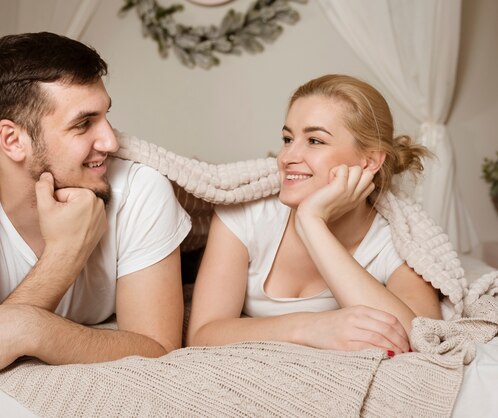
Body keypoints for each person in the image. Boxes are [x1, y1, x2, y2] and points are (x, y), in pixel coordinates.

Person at [0, 32, 191, 393]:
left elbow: (159, 348)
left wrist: (29, 328)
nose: (111, 142)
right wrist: (64, 255)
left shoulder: (141, 190)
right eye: (84, 124)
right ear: (13, 140)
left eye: (105, 116)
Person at [186, 74, 442, 354]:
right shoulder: (245, 214)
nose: (286, 157)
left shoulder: (397, 238)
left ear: (369, 161)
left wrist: (312, 222)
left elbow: (421, 338)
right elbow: (202, 334)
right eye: (287, 138)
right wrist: (312, 327)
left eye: (315, 141)